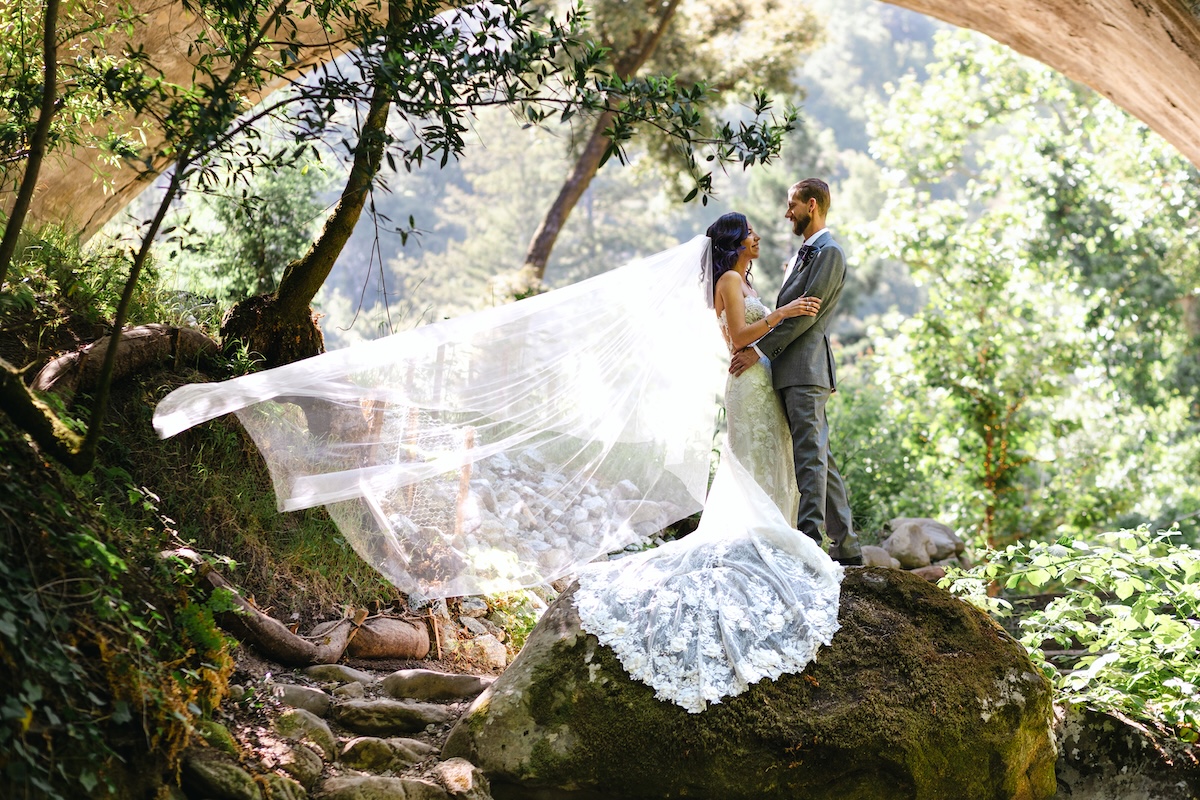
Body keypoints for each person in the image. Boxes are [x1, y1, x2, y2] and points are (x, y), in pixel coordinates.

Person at [573, 212, 844, 713]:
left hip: (761, 383)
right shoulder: (727, 279)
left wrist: (771, 330)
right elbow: (740, 338)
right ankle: (762, 543)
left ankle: (773, 538)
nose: (758, 237)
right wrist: (782, 317)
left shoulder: (742, 277)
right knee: (756, 464)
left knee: (775, 462)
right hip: (749, 386)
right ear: (736, 243)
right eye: (750, 234)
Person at [729, 178, 863, 566]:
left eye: (792, 206)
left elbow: (808, 316)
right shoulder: (805, 252)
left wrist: (759, 350)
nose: (787, 213)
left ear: (813, 205)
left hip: (806, 368)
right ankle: (848, 546)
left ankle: (809, 541)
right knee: (819, 454)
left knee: (809, 455)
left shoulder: (829, 252)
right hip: (788, 369)